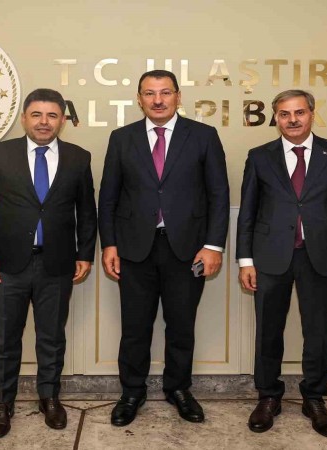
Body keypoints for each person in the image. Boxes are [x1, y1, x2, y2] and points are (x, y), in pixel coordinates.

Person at [98, 70, 230, 426]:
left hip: (188, 250)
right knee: (135, 327)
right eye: (149, 93)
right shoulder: (122, 138)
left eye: (165, 92)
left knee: (182, 325)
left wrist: (213, 246)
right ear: (139, 99)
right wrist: (109, 244)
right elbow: (108, 197)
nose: (158, 100)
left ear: (178, 96)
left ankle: (179, 389)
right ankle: (132, 392)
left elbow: (219, 195)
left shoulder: (203, 136)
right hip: (133, 249)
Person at [0, 88, 97, 438]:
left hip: (57, 264)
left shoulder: (78, 158)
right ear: (24, 118)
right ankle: (3, 403)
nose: (44, 122)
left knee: (52, 337)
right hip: (6, 266)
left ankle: (49, 399)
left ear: (62, 120)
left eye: (52, 115)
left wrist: (85, 254)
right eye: (37, 115)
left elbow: (87, 212)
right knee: (5, 339)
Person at [236, 89, 327, 437]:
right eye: (284, 114)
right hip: (270, 257)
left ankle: (315, 398)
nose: (292, 120)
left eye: (299, 112)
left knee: (318, 332)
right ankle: (268, 396)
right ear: (276, 118)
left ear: (311, 114)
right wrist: (245, 260)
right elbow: (248, 212)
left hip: (321, 257)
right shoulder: (259, 157)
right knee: (268, 331)